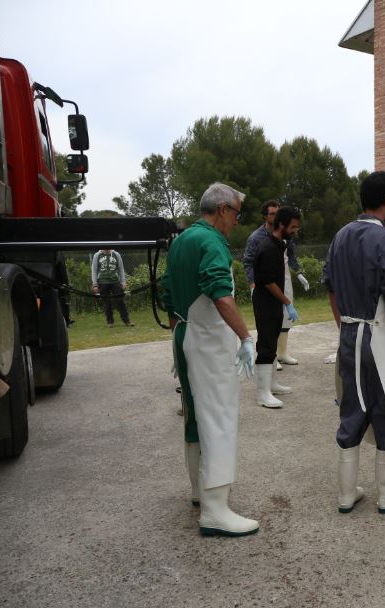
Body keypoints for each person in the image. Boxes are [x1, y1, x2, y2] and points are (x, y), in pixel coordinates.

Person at [323, 170, 385, 515]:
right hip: (380, 339)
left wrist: (345, 329)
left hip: (349, 336)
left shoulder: (340, 237)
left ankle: (346, 493)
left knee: (352, 408)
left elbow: (331, 290)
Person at [162, 182, 259, 537]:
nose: (236, 220)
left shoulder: (182, 240)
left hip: (185, 335)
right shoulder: (212, 242)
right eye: (235, 213)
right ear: (221, 209)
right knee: (218, 417)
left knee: (195, 416)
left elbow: (167, 288)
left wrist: (180, 336)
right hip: (207, 338)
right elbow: (220, 292)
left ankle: (199, 492)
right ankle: (215, 511)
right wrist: (245, 337)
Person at [243, 200, 310, 368]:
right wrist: (252, 284)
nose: (275, 215)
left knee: (285, 319)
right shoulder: (258, 238)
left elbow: (292, 257)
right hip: (266, 283)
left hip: (283, 276)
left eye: (277, 212)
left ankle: (282, 353)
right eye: (272, 213)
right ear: (265, 216)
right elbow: (249, 262)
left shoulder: (286, 236)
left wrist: (299, 273)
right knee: (268, 323)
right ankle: (270, 358)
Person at [252, 206, 301, 408]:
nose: (295, 230)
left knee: (272, 343)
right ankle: (263, 394)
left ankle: (272, 384)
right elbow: (268, 281)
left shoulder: (278, 245)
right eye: (293, 226)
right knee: (265, 345)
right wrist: (288, 302)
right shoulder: (269, 247)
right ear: (281, 225)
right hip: (265, 303)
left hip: (273, 304)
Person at [91, 248, 133, 327]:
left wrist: (123, 282)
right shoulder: (97, 255)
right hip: (103, 282)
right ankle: (110, 322)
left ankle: (127, 321)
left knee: (120, 301)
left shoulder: (116, 254)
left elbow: (121, 269)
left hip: (115, 281)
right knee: (107, 303)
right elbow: (94, 270)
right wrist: (95, 284)